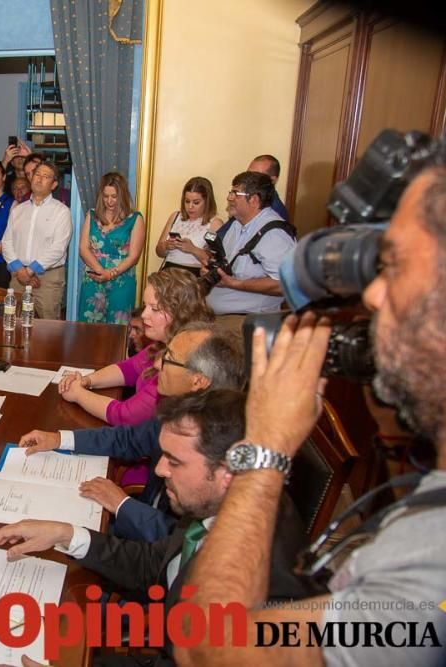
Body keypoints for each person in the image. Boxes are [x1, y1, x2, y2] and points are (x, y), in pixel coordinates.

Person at [175, 160, 446, 667]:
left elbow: (208, 645)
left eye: (403, 269)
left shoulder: (433, 563)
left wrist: (266, 446)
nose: (372, 295)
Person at [0, 390, 310, 667]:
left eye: (174, 461)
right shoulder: (214, 501)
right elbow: (155, 564)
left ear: (226, 472)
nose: (158, 469)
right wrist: (65, 533)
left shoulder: (262, 575)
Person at [22, 322, 245, 543]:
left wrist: (123, 504)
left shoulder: (221, 451)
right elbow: (128, 438)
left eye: (169, 359)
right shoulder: (183, 410)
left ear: (198, 381)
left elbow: (179, 543)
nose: (157, 364)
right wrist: (59, 438)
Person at [59, 269, 214, 425]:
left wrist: (78, 394)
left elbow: (125, 415)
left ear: (181, 312)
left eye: (154, 309)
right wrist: (87, 381)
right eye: (145, 306)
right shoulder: (164, 343)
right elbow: (129, 369)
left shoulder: (178, 363)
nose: (145, 315)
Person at [204, 171, 296, 336]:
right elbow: (227, 263)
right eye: (230, 192)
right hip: (219, 318)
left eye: (235, 193)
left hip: (244, 324)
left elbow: (284, 283)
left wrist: (235, 284)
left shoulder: (274, 234)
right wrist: (212, 270)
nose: (229, 198)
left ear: (254, 199)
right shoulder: (237, 225)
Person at [1, 161, 72, 320]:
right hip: (18, 277)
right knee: (14, 323)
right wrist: (20, 270)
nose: (39, 179)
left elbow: (58, 248)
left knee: (48, 330)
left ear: (53, 184)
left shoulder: (61, 212)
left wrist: (30, 270)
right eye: (37, 174)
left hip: (48, 278)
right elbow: (7, 242)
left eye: (46, 176)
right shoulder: (18, 210)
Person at [78, 172, 146, 324]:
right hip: (93, 278)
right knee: (88, 327)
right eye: (105, 196)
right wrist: (101, 271)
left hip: (121, 281)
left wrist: (111, 274)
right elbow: (83, 248)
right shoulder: (92, 215)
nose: (109, 201)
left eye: (114, 196)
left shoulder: (135, 218)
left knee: (117, 329)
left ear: (122, 195)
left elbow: (134, 256)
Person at [154, 176, 225, 276]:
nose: (190, 207)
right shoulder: (176, 216)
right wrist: (166, 246)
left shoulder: (214, 223)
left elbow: (215, 261)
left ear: (207, 201)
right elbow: (159, 252)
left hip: (193, 275)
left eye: (196, 202)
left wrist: (192, 249)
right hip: (168, 272)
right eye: (187, 201)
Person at [248, 154, 290, 222]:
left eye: (256, 175)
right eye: (248, 174)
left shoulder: (276, 211)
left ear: (272, 180)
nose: (249, 179)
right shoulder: (249, 197)